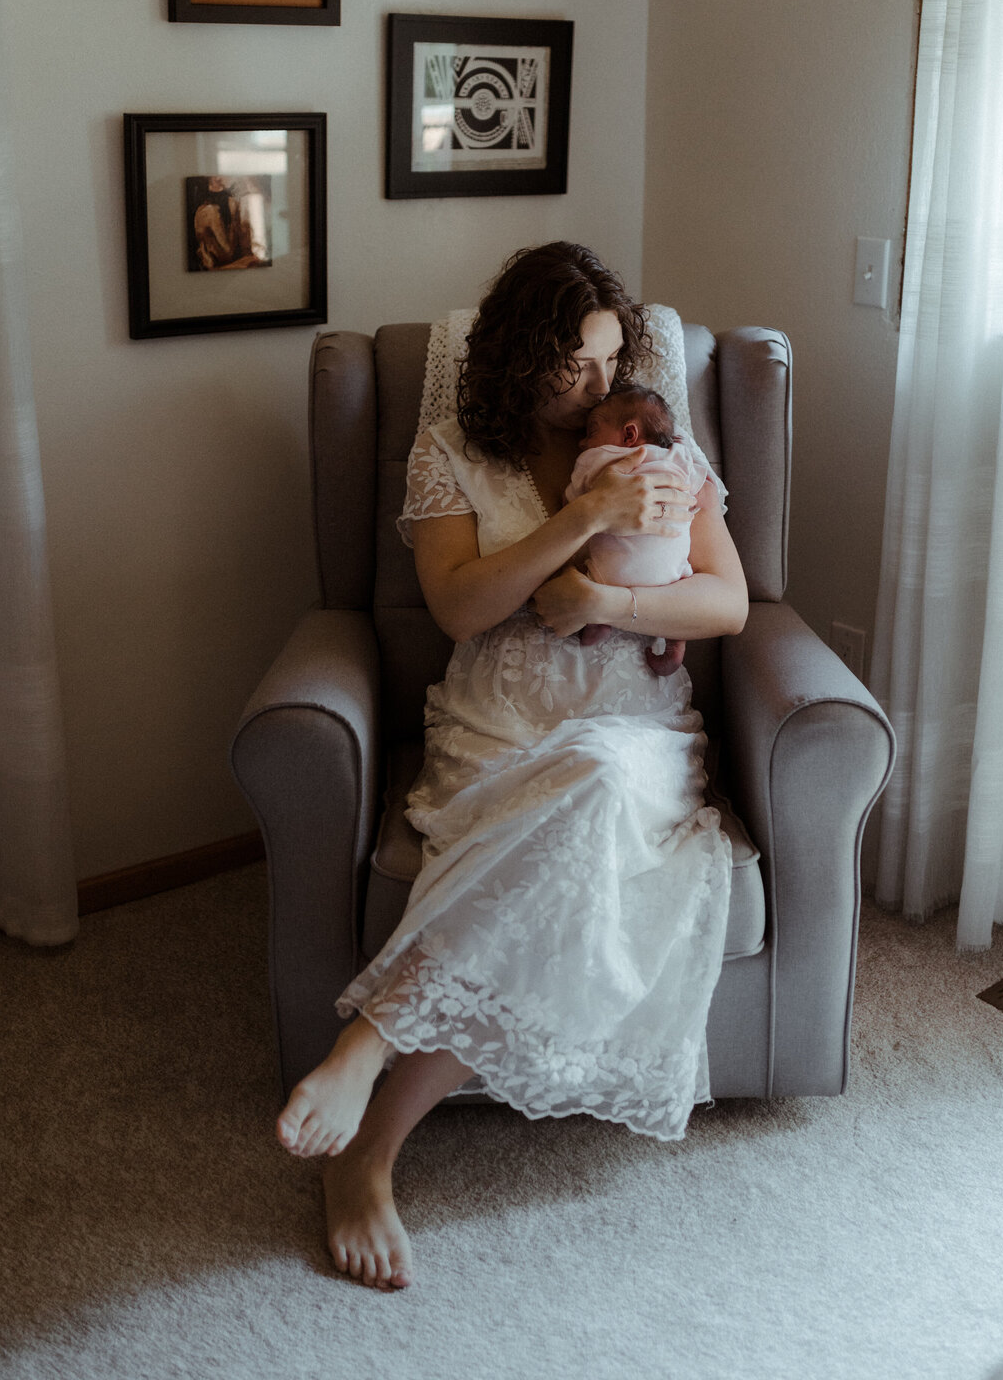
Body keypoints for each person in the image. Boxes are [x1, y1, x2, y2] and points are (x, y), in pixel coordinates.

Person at [274, 243, 749, 1292]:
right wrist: (584, 519)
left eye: (611, 360)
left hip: (636, 737)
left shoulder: (655, 444)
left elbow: (728, 603)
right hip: (497, 722)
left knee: (595, 783)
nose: (597, 386)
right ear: (519, 357)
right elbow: (458, 608)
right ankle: (366, 1140)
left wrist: (616, 603)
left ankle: (368, 1083)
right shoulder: (452, 453)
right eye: (575, 364)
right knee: (560, 819)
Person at [565, 385, 705, 678]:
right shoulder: (679, 456)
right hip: (672, 573)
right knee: (683, 582)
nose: (582, 442)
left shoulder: (599, 459)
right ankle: (674, 637)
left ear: (628, 435)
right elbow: (696, 486)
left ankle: (599, 622)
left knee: (585, 574)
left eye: (591, 432)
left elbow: (574, 499)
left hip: (613, 574)